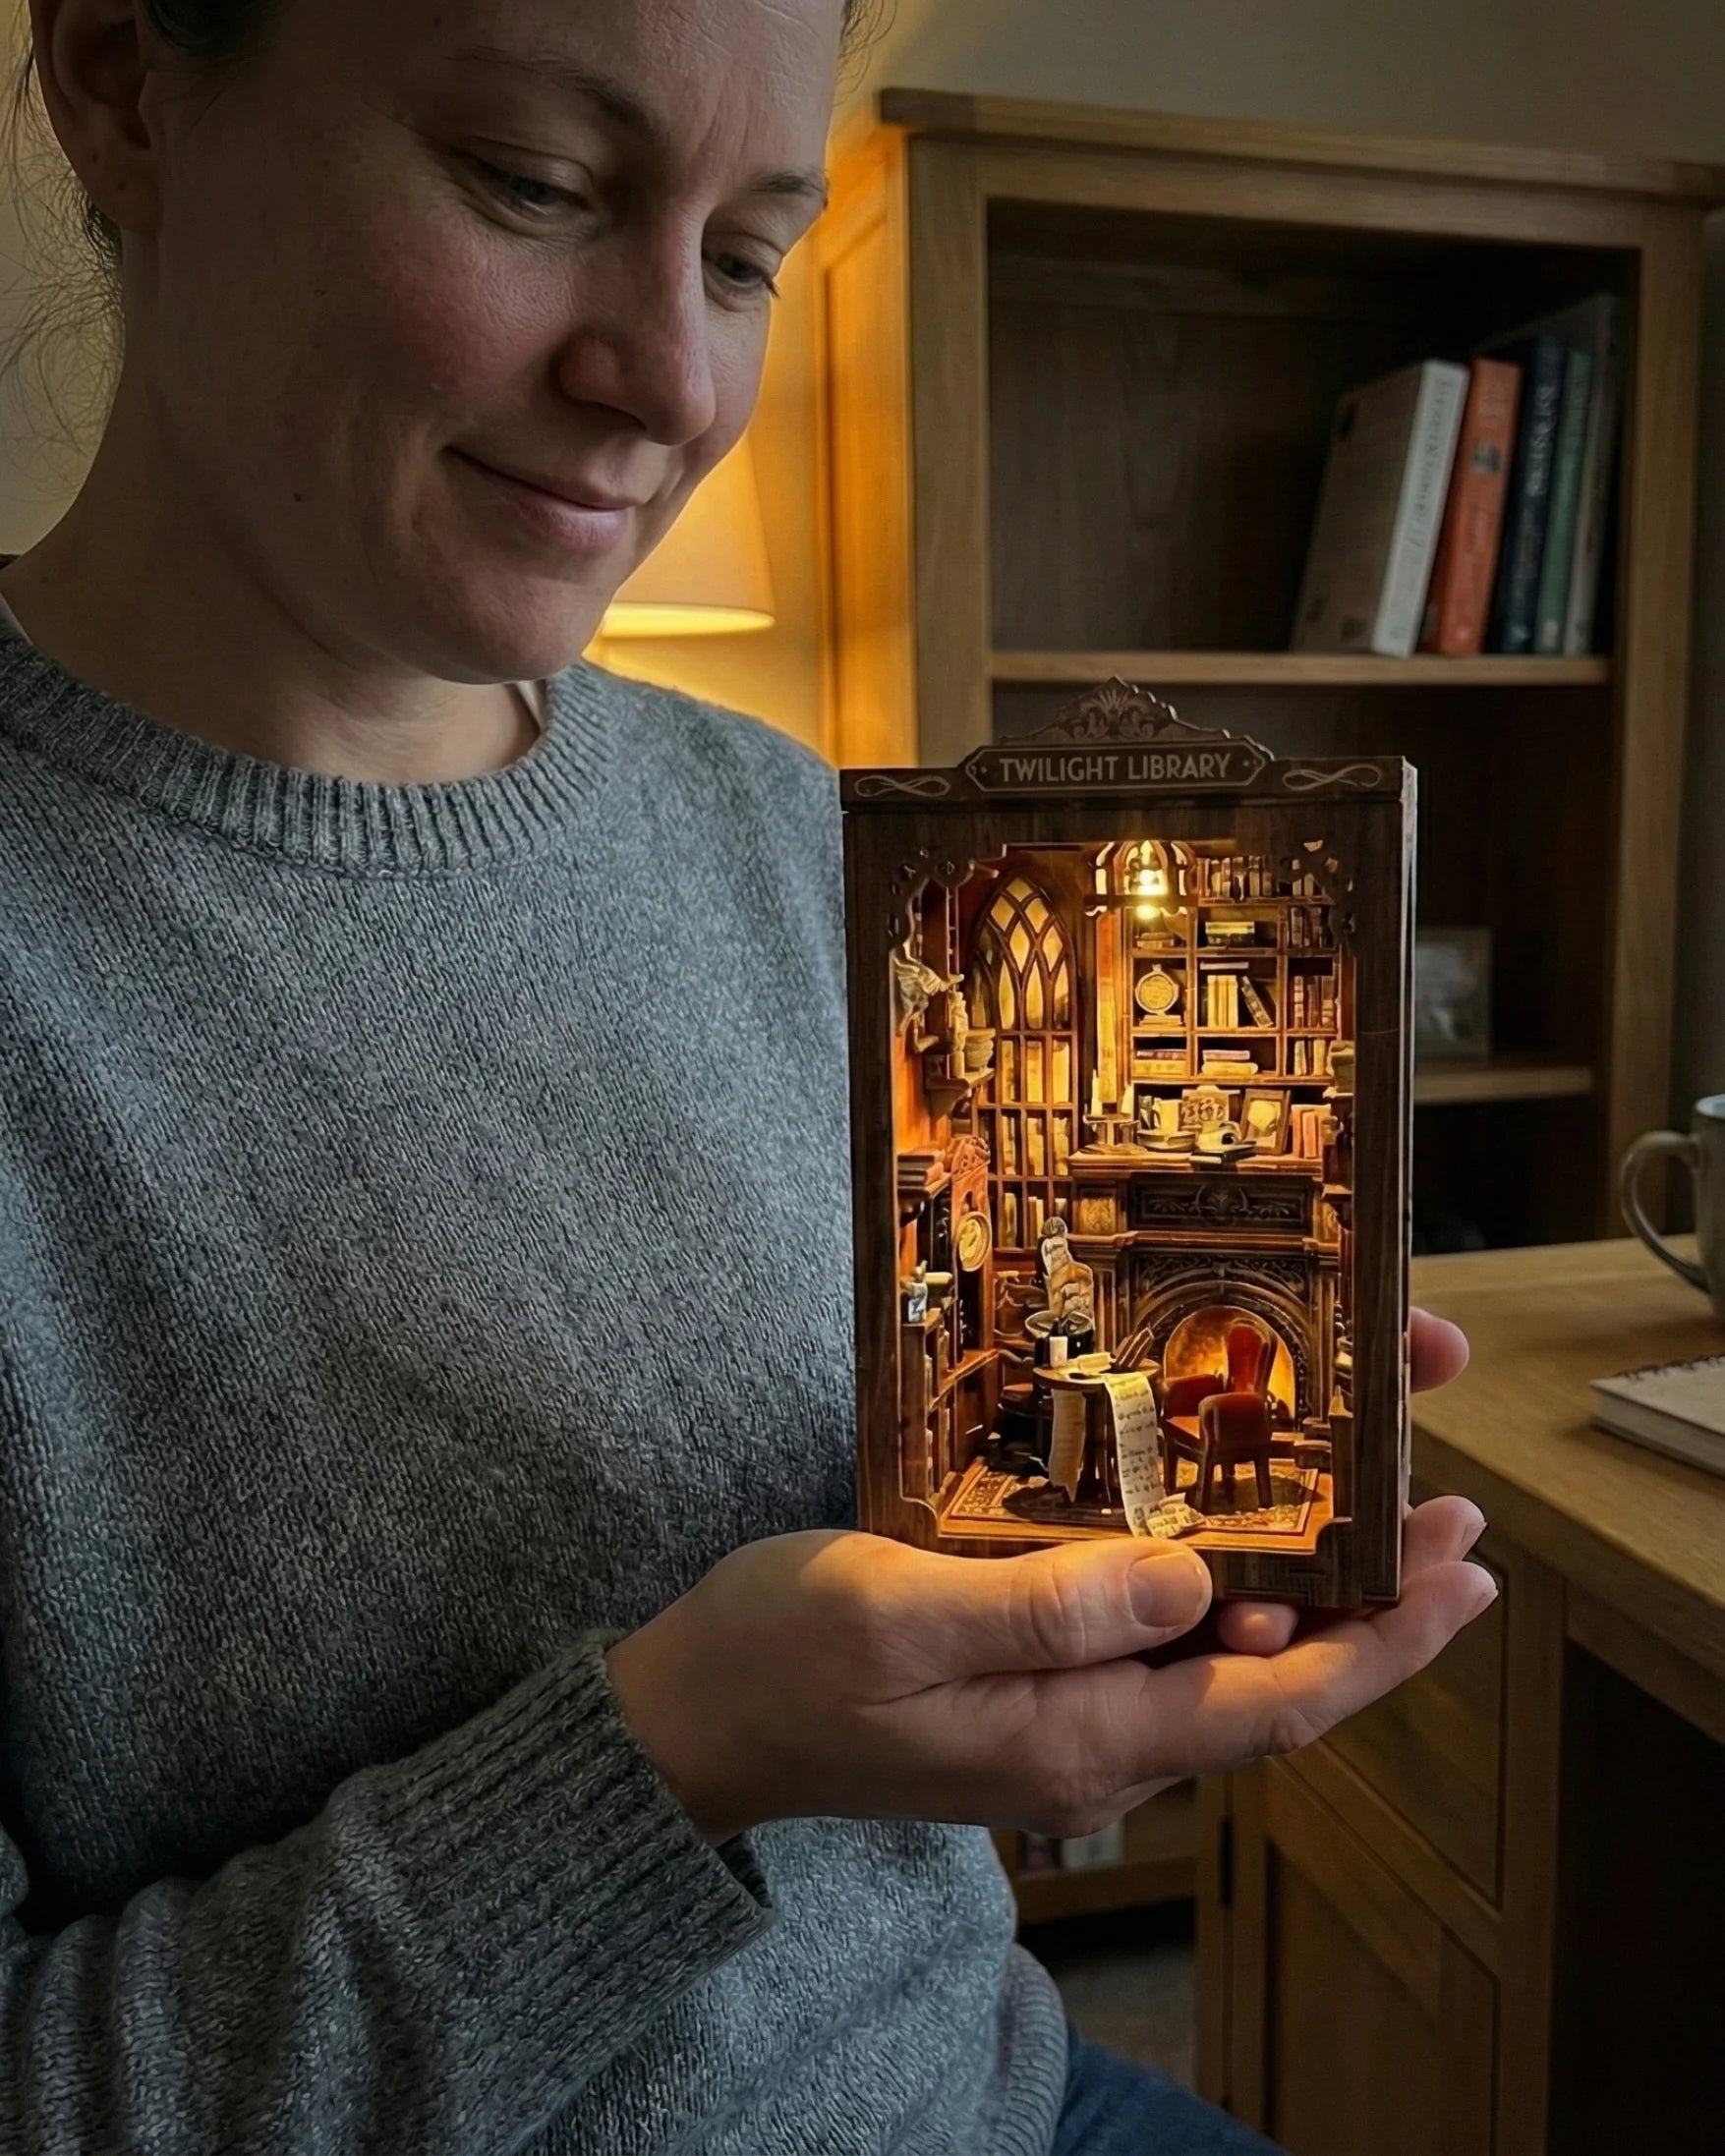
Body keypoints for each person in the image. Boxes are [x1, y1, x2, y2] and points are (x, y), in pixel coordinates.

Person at [0, 3, 1497, 2151]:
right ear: (120, 79)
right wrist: (680, 1753)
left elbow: (945, 1517)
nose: (678, 385)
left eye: (741, 255)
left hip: (993, 2096)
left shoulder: (792, 834)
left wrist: (1099, 1591)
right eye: (534, 182)